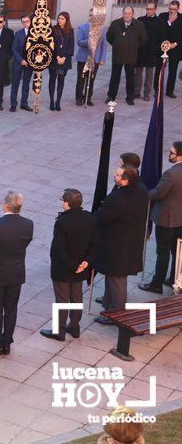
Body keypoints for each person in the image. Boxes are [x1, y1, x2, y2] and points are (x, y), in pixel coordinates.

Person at [92, 166, 149, 321]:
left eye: (117, 175)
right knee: (113, 276)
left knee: (117, 279)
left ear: (125, 180)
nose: (114, 176)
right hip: (131, 242)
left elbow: (100, 218)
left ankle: (116, 315)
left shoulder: (116, 198)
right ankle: (108, 304)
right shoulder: (142, 190)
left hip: (117, 245)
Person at [0, 192, 34, 355]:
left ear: (6, 205)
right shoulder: (28, 224)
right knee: (11, 308)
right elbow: (25, 242)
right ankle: (7, 342)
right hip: (16, 272)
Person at [41, 189, 97, 340]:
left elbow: (59, 249)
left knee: (62, 299)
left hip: (63, 269)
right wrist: (85, 263)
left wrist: (73, 266)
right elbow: (95, 243)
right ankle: (75, 327)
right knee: (76, 297)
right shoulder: (90, 218)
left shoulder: (62, 222)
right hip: (81, 268)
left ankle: (59, 331)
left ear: (66, 203)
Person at [139, 141, 182, 294]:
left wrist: (146, 193)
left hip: (167, 219)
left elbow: (158, 193)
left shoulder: (171, 174)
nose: (169, 154)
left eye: (172, 152)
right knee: (178, 251)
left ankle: (156, 283)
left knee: (162, 252)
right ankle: (174, 279)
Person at [106, 6, 147, 106]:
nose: (127, 15)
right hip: (118, 55)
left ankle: (130, 98)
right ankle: (111, 96)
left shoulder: (139, 25)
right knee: (115, 77)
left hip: (131, 55)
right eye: (125, 13)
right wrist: (117, 45)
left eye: (129, 13)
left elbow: (144, 39)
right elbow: (109, 37)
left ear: (133, 14)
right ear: (122, 13)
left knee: (130, 78)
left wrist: (134, 46)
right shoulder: (115, 23)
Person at [75, 11, 108, 106]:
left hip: (95, 59)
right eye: (90, 15)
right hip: (83, 58)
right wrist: (90, 39)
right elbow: (79, 42)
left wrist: (102, 58)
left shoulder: (101, 29)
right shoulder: (82, 28)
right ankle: (79, 98)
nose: (92, 17)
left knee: (91, 79)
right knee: (81, 79)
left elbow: (104, 45)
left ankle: (88, 97)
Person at [135, 2, 163, 102]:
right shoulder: (140, 20)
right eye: (147, 9)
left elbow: (161, 37)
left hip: (152, 52)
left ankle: (147, 93)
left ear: (155, 10)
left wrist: (157, 51)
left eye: (151, 9)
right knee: (138, 73)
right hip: (140, 51)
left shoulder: (159, 21)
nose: (149, 11)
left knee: (149, 74)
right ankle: (137, 91)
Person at [48, 12, 75, 111]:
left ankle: (58, 101)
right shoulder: (53, 29)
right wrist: (57, 57)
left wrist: (64, 57)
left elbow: (71, 45)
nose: (60, 20)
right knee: (52, 79)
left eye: (62, 18)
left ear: (67, 20)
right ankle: (51, 100)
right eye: (59, 18)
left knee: (61, 80)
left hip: (65, 60)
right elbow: (51, 44)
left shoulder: (70, 31)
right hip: (54, 60)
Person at [9, 14, 33, 112]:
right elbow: (14, 48)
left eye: (27, 21)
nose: (25, 23)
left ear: (30, 21)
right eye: (23, 22)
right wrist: (21, 60)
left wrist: (30, 60)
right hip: (19, 62)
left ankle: (24, 103)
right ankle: (13, 104)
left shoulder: (35, 34)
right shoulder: (18, 34)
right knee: (15, 83)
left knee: (26, 83)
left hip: (30, 63)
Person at [158, 0, 180, 98]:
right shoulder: (162, 16)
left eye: (174, 9)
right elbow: (160, 30)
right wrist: (169, 22)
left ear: (178, 9)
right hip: (163, 47)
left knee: (173, 70)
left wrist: (175, 43)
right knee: (160, 69)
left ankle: (169, 91)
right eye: (170, 9)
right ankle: (158, 89)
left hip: (175, 48)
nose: (171, 11)